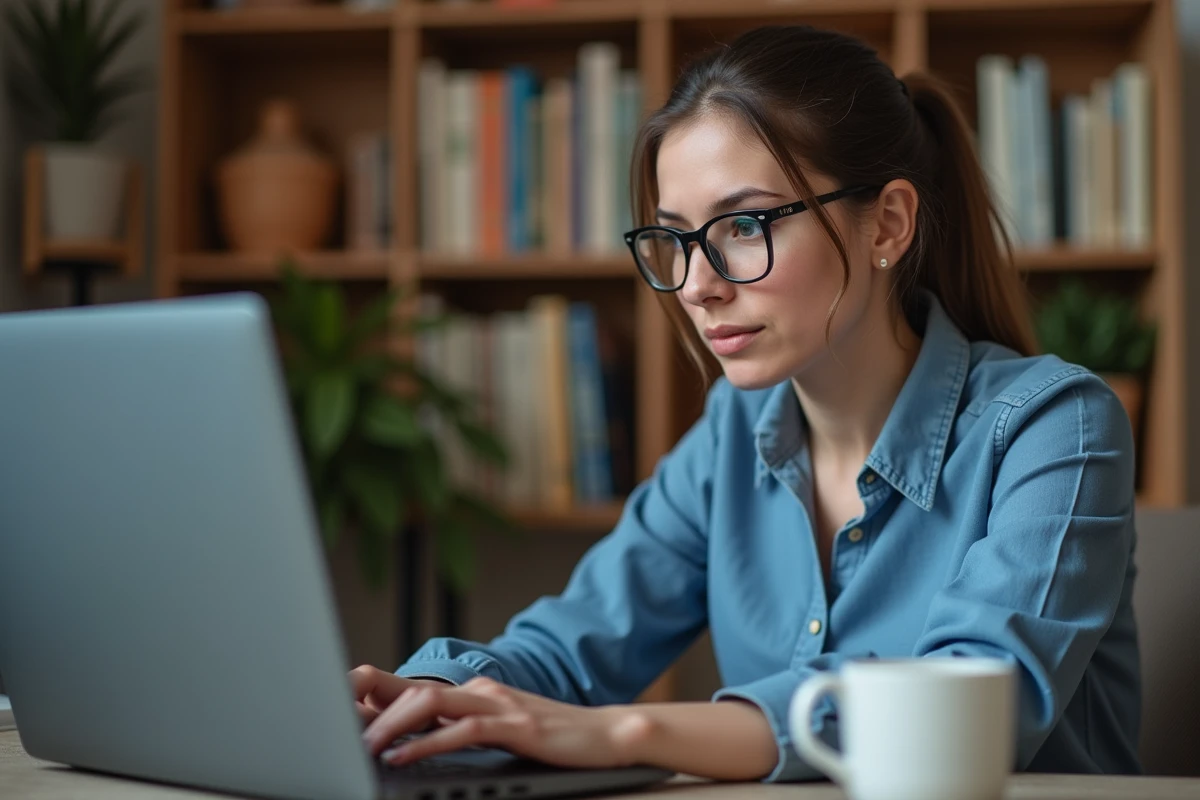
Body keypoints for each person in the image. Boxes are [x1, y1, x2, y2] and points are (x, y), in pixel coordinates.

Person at [352, 25, 1141, 782]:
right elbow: (566, 650)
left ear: (889, 224)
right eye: (674, 238)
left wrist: (628, 731)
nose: (698, 285)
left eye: (744, 225)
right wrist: (420, 699)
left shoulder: (1055, 426)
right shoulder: (733, 435)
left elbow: (972, 704)